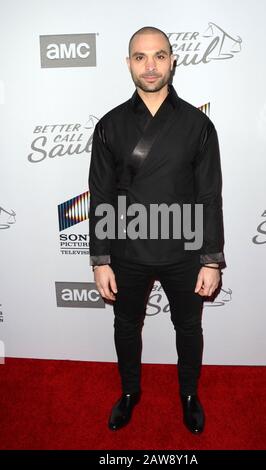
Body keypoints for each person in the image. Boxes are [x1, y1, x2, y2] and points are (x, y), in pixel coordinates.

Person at [88, 26, 226, 434]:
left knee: (188, 327)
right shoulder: (110, 125)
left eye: (159, 56)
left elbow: (210, 195)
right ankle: (130, 392)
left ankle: (188, 394)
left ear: (172, 61)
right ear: (128, 63)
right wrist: (100, 258)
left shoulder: (198, 125)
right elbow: (100, 195)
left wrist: (211, 258)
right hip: (127, 249)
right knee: (126, 325)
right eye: (140, 57)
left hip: (184, 250)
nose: (150, 66)